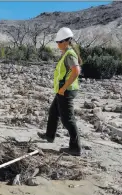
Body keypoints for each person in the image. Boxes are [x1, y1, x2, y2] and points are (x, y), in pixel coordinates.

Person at [37, 27, 83, 156]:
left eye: (59, 42)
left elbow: (76, 71)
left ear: (66, 41)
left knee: (68, 119)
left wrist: (63, 88)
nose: (57, 44)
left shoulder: (69, 54)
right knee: (53, 112)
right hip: (62, 90)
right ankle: (49, 136)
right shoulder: (66, 53)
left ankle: (75, 148)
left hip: (66, 91)